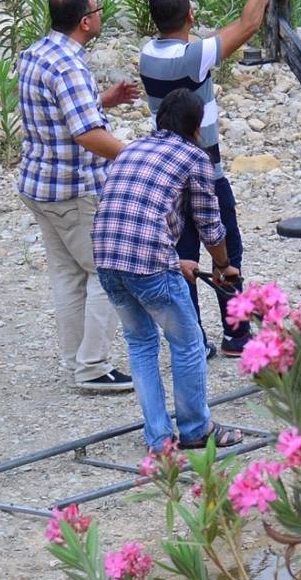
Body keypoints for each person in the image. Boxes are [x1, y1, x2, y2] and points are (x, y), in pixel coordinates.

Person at [91, 89, 244, 454]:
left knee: (141, 344)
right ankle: (195, 429)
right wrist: (222, 265)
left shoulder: (132, 150)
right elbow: (210, 225)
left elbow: (135, 217)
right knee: (189, 344)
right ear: (197, 128)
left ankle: (159, 439)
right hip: (148, 263)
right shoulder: (195, 157)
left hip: (106, 258)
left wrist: (175, 261)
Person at [138, 0, 273, 356]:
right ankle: (236, 333)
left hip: (169, 175)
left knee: (184, 257)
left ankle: (192, 337)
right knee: (225, 249)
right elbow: (248, 24)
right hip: (205, 171)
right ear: (190, 16)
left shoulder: (148, 55)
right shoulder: (191, 59)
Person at [17, 0, 141, 394]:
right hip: (74, 190)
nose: (101, 14)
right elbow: (86, 134)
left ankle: (76, 361)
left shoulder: (36, 53)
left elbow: (54, 112)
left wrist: (103, 100)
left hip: (40, 185)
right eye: (97, 9)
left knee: (68, 275)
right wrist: (135, 158)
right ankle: (92, 367)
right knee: (107, 273)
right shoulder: (70, 66)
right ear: (86, 22)